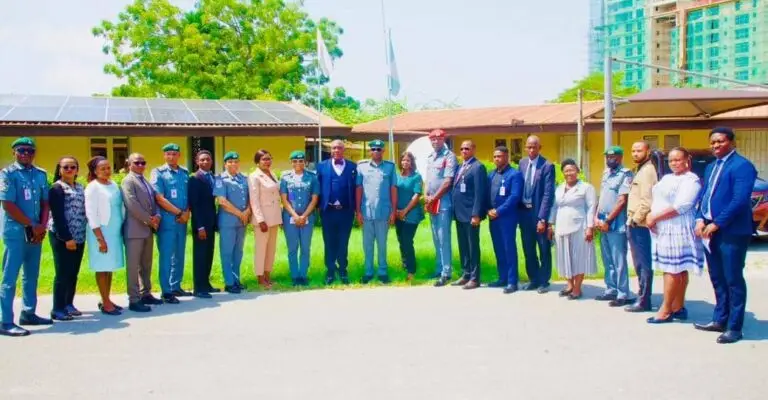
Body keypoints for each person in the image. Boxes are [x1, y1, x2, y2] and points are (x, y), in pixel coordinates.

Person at [694, 127, 757, 344]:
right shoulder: (711, 167)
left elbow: (739, 200)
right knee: (717, 277)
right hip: (709, 231)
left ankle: (735, 327)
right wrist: (700, 219)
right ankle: (720, 319)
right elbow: (704, 196)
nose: (715, 145)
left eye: (720, 141)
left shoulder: (742, 166)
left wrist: (717, 223)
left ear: (732, 142)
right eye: (712, 142)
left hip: (732, 231)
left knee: (733, 279)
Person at [645, 147, 704, 324]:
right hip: (663, 227)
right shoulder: (667, 178)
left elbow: (682, 205)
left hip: (678, 226)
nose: (674, 163)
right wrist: (651, 216)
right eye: (671, 160)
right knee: (675, 268)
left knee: (673, 269)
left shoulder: (691, 180)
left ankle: (665, 310)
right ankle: (678, 306)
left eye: (678, 160)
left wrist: (654, 217)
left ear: (687, 160)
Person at [0, 137, 52, 336]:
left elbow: (45, 202)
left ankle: (28, 313)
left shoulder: (40, 174)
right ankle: (5, 321)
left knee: (31, 275)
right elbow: (8, 204)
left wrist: (42, 226)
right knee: (9, 277)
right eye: (21, 150)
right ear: (13, 152)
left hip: (35, 232)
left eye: (30, 151)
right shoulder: (8, 174)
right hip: (16, 232)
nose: (26, 154)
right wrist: (32, 224)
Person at [548, 159, 597, 299]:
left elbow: (591, 208)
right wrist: (550, 224)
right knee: (564, 256)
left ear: (578, 171)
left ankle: (577, 288)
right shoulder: (559, 188)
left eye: (572, 170)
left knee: (578, 257)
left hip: (579, 226)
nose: (569, 173)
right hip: (561, 225)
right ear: (563, 173)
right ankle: (569, 285)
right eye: (566, 171)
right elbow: (554, 207)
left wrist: (589, 227)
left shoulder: (586, 187)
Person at [150, 143, 191, 303]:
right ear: (164, 155)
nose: (171, 157)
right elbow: (159, 198)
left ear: (179, 155)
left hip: (182, 221)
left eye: (174, 154)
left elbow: (188, 196)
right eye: (168, 154)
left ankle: (176, 286)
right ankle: (166, 291)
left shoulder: (184, 173)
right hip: (167, 221)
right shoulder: (158, 173)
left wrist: (187, 212)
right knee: (166, 256)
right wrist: (179, 212)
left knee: (179, 255)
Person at [121, 153, 162, 311]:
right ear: (129, 164)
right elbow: (132, 204)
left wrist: (157, 216)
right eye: (137, 162)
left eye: (143, 162)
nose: (140, 165)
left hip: (147, 229)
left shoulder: (145, 181)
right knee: (133, 266)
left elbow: (154, 200)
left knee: (146, 264)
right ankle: (134, 299)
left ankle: (146, 293)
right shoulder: (128, 181)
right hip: (134, 230)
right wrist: (149, 219)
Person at [47, 156, 87, 321]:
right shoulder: (56, 188)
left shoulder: (80, 187)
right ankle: (57, 308)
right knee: (62, 272)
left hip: (79, 235)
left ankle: (68, 303)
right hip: (61, 236)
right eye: (66, 167)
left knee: (73, 272)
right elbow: (58, 216)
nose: (69, 170)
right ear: (60, 170)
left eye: (73, 167)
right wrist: (67, 238)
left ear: (77, 170)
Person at [84, 156, 125, 316]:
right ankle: (106, 303)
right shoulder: (92, 187)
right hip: (100, 231)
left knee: (109, 266)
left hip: (114, 231)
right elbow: (91, 214)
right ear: (95, 171)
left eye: (108, 168)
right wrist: (100, 239)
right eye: (103, 169)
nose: (107, 171)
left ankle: (106, 298)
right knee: (102, 267)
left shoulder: (113, 184)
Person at [594, 146, 635, 307]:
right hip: (602, 220)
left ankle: (623, 293)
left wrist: (608, 221)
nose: (609, 159)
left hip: (616, 223)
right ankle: (611, 289)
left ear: (620, 157)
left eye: (613, 157)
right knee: (607, 258)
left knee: (619, 260)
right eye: (607, 157)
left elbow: (622, 201)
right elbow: (603, 197)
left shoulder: (626, 174)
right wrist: (596, 216)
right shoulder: (606, 173)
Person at [356, 139, 397, 284]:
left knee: (382, 243)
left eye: (379, 149)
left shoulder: (390, 167)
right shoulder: (361, 166)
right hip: (366, 211)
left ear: (383, 151)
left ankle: (382, 272)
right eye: (373, 149)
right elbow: (358, 189)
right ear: (370, 151)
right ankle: (368, 272)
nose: (376, 151)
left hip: (383, 211)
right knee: (367, 244)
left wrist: (393, 211)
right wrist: (358, 211)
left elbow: (393, 189)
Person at [316, 139, 357, 285]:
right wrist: (318, 207)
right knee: (329, 241)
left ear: (344, 150)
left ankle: (343, 269)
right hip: (328, 212)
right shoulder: (321, 166)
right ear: (330, 150)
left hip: (346, 212)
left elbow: (357, 189)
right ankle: (330, 270)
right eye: (334, 148)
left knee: (343, 241)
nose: (336, 150)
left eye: (339, 148)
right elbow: (317, 188)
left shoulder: (352, 167)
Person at [518, 135, 555, 293]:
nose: (531, 150)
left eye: (534, 147)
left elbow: (548, 194)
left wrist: (542, 219)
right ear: (525, 147)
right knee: (528, 248)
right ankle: (533, 279)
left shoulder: (547, 165)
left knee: (543, 248)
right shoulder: (522, 163)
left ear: (540, 148)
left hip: (539, 213)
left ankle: (544, 281)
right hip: (524, 213)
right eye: (529, 147)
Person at [625, 141, 658, 313]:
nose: (635, 153)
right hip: (635, 222)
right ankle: (642, 295)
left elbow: (647, 200)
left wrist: (635, 219)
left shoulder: (647, 171)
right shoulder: (641, 169)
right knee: (638, 262)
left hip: (640, 224)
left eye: (639, 150)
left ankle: (645, 299)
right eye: (633, 151)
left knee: (643, 263)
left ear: (648, 151)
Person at [279, 150, 320, 286]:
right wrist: (295, 216)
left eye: (301, 161)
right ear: (291, 162)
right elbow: (284, 200)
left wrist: (304, 216)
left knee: (305, 248)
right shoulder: (285, 178)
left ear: (305, 162)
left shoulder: (312, 177)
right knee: (292, 248)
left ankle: (303, 275)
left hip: (307, 217)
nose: (298, 163)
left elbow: (314, 199)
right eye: (295, 161)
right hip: (290, 217)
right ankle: (295, 276)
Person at [451, 140, 487, 289]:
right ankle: (465, 274)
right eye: (461, 149)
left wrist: (476, 214)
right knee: (463, 246)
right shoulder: (460, 166)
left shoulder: (478, 167)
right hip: (459, 214)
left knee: (473, 247)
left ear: (473, 149)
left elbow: (479, 193)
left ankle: (474, 278)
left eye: (467, 148)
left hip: (471, 215)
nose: (464, 151)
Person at [487, 146, 523, 293]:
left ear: (507, 157)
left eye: (500, 156)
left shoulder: (515, 174)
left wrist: (499, 211)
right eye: (495, 156)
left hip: (507, 218)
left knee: (509, 249)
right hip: (493, 218)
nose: (497, 159)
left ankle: (512, 281)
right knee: (498, 248)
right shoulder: (491, 174)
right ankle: (502, 278)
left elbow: (514, 197)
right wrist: (488, 210)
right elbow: (487, 194)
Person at [424, 129, 458, 287]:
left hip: (443, 203)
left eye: (438, 139)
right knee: (436, 238)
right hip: (432, 202)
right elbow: (428, 180)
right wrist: (426, 195)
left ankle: (446, 272)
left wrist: (434, 197)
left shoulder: (449, 156)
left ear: (443, 139)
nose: (435, 141)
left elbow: (447, 181)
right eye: (432, 139)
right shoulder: (430, 157)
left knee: (443, 237)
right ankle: (439, 268)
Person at [214, 151, 250, 294]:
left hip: (242, 222)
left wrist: (247, 211)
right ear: (225, 164)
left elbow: (250, 197)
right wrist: (240, 214)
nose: (233, 164)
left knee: (238, 252)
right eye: (230, 162)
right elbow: (222, 201)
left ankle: (236, 280)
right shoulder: (220, 179)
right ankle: (229, 282)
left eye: (235, 161)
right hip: (228, 222)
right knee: (227, 252)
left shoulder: (244, 178)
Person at [249, 149, 282, 289]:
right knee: (261, 249)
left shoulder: (272, 174)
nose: (267, 161)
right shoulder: (254, 177)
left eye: (269, 158)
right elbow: (254, 200)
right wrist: (260, 220)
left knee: (271, 249)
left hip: (274, 216)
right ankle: (260, 277)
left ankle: (268, 275)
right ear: (257, 162)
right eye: (264, 159)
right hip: (263, 219)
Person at [189, 150, 219, 297]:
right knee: (200, 256)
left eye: (208, 159)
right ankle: (199, 288)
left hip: (211, 222)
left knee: (209, 254)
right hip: (200, 223)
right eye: (202, 160)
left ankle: (206, 284)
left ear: (211, 161)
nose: (205, 162)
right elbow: (194, 205)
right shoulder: (195, 179)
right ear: (197, 162)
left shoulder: (212, 177)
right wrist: (199, 226)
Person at [394, 151, 424, 281]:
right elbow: (393, 193)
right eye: (403, 160)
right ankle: (405, 264)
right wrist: (396, 211)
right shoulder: (397, 176)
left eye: (408, 160)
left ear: (412, 163)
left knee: (407, 240)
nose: (405, 162)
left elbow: (417, 196)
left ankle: (412, 270)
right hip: (397, 213)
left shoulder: (416, 177)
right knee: (401, 240)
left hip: (411, 214)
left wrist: (405, 211)